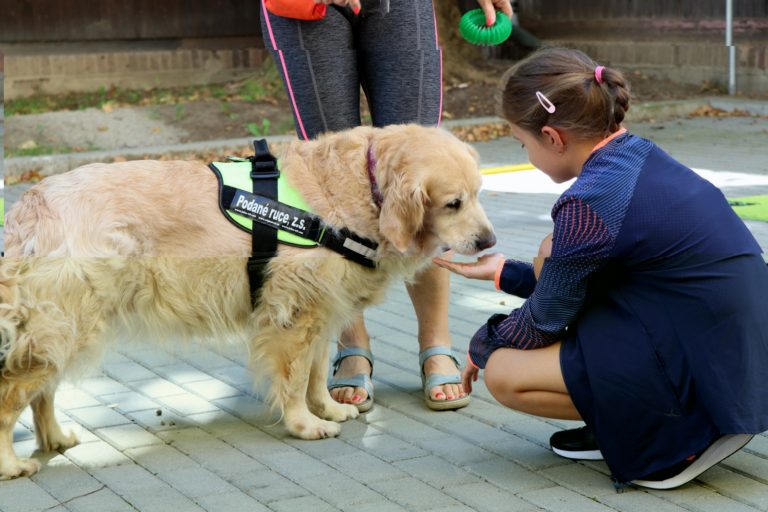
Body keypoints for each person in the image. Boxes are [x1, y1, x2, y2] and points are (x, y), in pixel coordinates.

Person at [434, 47, 768, 489]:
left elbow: (546, 317)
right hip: (730, 350)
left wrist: (482, 345)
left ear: (552, 137)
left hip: (703, 371)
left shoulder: (590, 200)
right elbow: (585, 281)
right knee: (550, 253)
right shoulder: (635, 155)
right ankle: (624, 423)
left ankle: (681, 434)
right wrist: (503, 272)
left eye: (522, 143)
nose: (526, 153)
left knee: (503, 372)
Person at [260, 0, 513, 412]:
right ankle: (351, 346)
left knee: (427, 162)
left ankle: (436, 343)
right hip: (305, 9)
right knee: (329, 178)